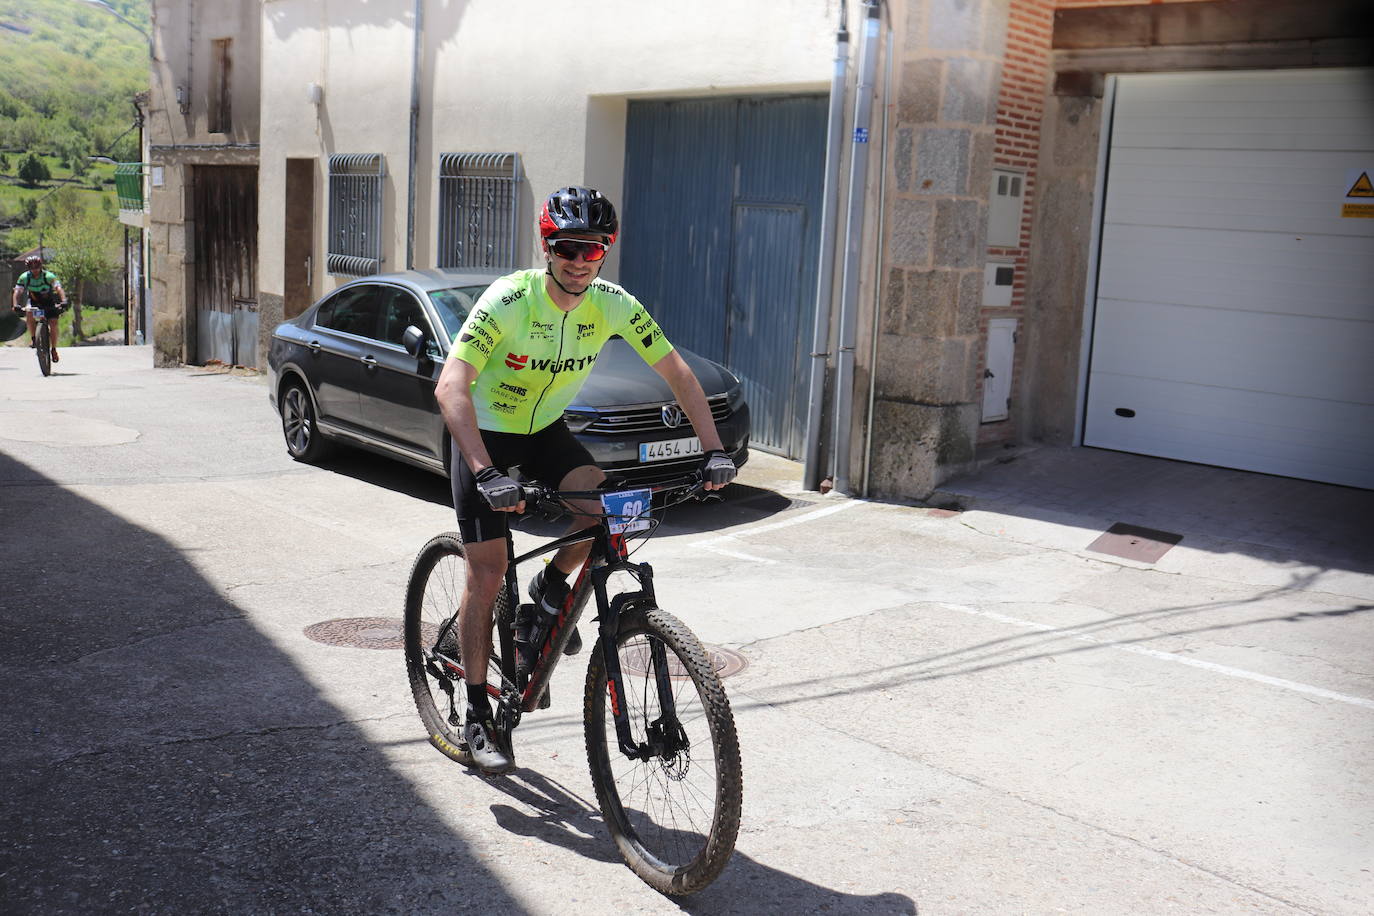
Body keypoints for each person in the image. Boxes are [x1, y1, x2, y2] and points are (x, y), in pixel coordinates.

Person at [434, 185, 738, 774]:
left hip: (545, 428)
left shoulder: (614, 304)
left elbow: (677, 373)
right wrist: (486, 472)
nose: (580, 260)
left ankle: (548, 592)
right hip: (485, 434)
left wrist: (713, 451)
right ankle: (475, 714)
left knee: (600, 507)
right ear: (548, 247)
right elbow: (451, 386)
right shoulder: (510, 300)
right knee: (488, 568)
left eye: (593, 249)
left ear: (605, 253)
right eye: (568, 247)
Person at [11, 255, 66, 363]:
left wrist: (63, 300)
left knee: (53, 323)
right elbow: (17, 292)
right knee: (29, 314)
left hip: (49, 302)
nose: (35, 270)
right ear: (28, 268)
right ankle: (34, 339)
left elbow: (58, 288)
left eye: (37, 268)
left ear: (40, 267)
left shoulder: (48, 276)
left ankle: (53, 349)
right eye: (32, 268)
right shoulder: (24, 277)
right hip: (34, 302)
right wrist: (15, 304)